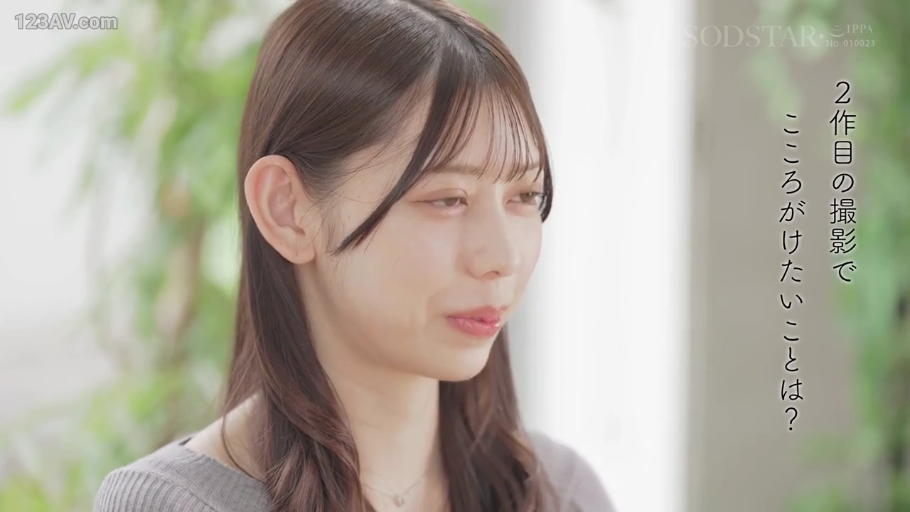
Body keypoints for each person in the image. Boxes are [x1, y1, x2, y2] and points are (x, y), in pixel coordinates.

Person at [93, 0, 617, 511]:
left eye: (525, 196)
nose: (502, 256)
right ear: (287, 210)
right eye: (448, 199)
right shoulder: (174, 504)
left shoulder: (562, 492)